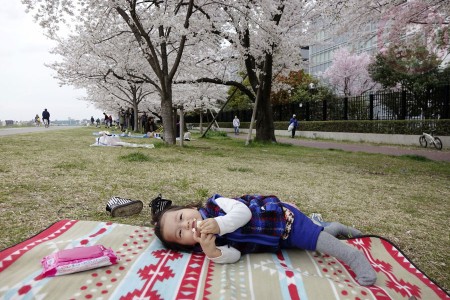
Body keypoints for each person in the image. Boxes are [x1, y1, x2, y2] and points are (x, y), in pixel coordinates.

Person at [151, 194, 377, 286]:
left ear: (190, 208)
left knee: (315, 240)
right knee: (317, 232)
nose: (186, 225)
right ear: (187, 246)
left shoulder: (215, 204)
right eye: (181, 233)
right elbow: (236, 255)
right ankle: (335, 227)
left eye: (181, 217)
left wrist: (220, 224)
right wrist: (214, 253)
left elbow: (243, 213)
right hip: (278, 242)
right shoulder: (206, 245)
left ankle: (353, 256)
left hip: (282, 220)